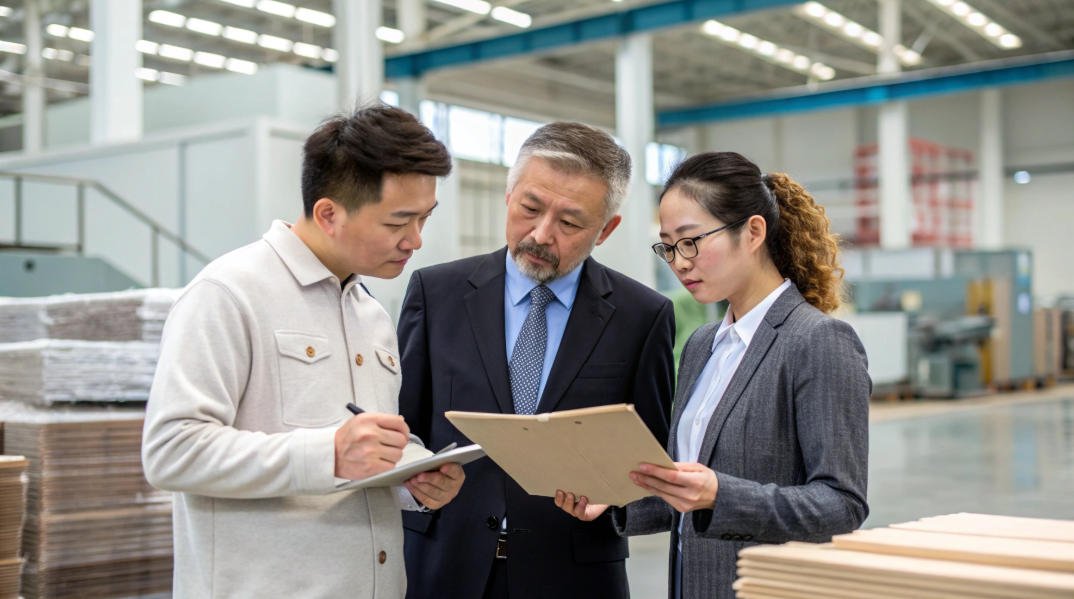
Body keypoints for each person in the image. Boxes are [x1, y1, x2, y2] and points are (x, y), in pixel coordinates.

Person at [142, 105, 466, 598]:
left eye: (424, 218)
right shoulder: (229, 293)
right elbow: (171, 451)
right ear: (329, 214)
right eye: (399, 221)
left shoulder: (370, 315)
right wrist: (328, 453)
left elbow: (361, 453)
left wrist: (412, 479)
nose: (415, 241)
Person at [556, 151, 870, 599]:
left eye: (691, 240)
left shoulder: (817, 342)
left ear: (754, 232)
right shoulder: (704, 346)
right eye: (668, 245)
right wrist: (616, 500)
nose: (679, 262)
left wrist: (722, 495)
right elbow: (685, 491)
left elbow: (842, 505)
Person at [396, 121, 675, 599]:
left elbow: (657, 464)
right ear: (508, 196)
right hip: (445, 570)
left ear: (606, 230)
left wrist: (616, 501)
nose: (541, 235)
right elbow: (404, 429)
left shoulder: (642, 316)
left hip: (576, 577)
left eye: (569, 223)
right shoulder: (435, 293)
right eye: (530, 208)